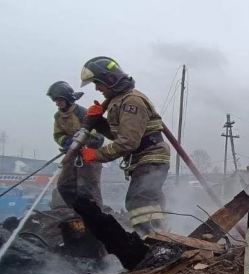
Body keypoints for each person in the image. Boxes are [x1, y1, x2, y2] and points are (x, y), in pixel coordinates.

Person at [78, 57, 170, 235]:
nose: (97, 88)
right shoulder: (120, 101)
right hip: (145, 158)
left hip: (151, 157)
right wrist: (99, 123)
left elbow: (128, 142)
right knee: (149, 201)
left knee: (139, 201)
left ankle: (155, 242)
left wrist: (96, 154)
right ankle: (162, 237)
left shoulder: (131, 102)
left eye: (97, 83)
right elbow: (121, 135)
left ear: (109, 80)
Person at [47, 81, 104, 208]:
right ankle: (77, 212)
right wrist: (66, 141)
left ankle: (98, 218)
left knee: (89, 188)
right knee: (63, 185)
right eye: (55, 100)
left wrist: (82, 142)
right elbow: (58, 135)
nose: (57, 103)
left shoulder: (83, 113)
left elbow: (98, 138)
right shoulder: (58, 117)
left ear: (68, 99)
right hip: (71, 156)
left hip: (89, 157)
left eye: (59, 100)